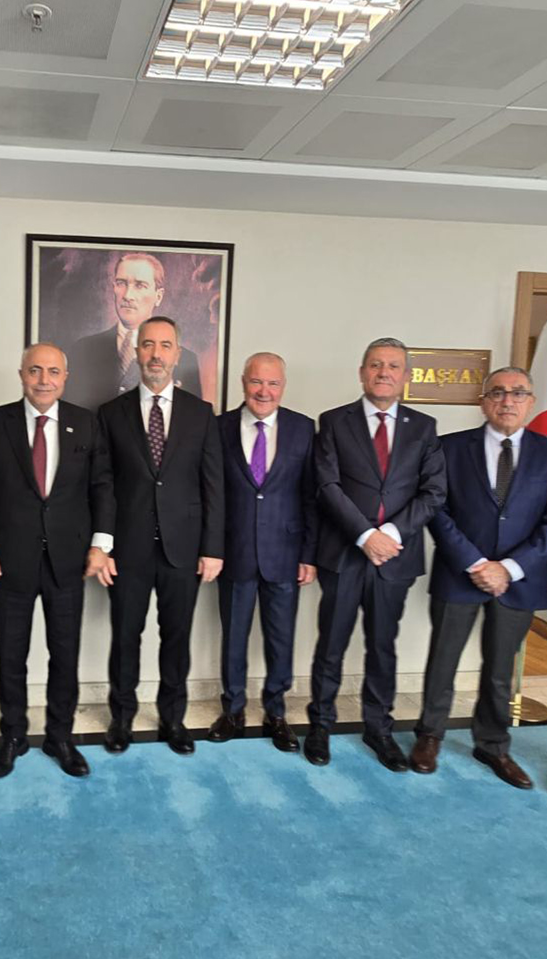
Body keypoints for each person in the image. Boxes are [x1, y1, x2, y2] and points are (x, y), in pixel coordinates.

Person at [411, 366, 547, 787]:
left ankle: (493, 744)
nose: (507, 400)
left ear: (531, 402)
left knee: (501, 669)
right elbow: (437, 510)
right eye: (497, 392)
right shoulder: (449, 447)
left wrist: (509, 568)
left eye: (518, 393)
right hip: (459, 572)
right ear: (483, 401)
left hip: (520, 579)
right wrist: (476, 564)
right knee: (442, 660)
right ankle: (429, 735)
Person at [0, 343, 115, 778]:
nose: (43, 380)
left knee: (64, 655)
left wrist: (101, 543)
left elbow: (102, 486)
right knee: (11, 655)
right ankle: (12, 737)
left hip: (70, 559)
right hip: (9, 559)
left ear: (65, 378)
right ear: (21, 375)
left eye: (52, 371)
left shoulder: (85, 423)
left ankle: (60, 736)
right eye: (34, 370)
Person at [304, 337, 446, 769]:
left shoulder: (424, 427)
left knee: (383, 647)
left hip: (395, 557)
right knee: (331, 644)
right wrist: (365, 535)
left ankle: (378, 728)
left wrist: (389, 534)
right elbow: (327, 485)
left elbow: (433, 491)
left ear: (405, 376)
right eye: (376, 364)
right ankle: (320, 725)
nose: (384, 372)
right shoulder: (333, 421)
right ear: (362, 372)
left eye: (393, 366)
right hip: (345, 554)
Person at [96, 315, 224, 755]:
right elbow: (103, 486)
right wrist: (103, 546)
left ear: (177, 353)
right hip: (127, 549)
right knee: (124, 637)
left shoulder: (201, 414)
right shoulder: (111, 414)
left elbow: (213, 486)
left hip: (183, 549)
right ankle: (122, 719)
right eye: (147, 345)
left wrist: (212, 548)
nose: (155, 354)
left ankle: (173, 719)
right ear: (136, 352)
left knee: (177, 637)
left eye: (164, 345)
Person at [207, 352, 316, 752]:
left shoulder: (304, 428)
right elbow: (210, 493)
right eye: (256, 381)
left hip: (286, 553)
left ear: (283, 387)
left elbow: (312, 495)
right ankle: (233, 709)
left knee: (281, 637)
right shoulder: (218, 428)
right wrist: (211, 548)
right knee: (233, 636)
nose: (264, 391)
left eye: (272, 383)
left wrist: (309, 554)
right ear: (243, 382)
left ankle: (276, 713)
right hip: (234, 551)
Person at [65, 253, 202, 410]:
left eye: (140, 285)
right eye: (121, 283)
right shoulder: (82, 350)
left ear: (158, 296)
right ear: (114, 288)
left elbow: (192, 418)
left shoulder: (186, 360)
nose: (128, 295)